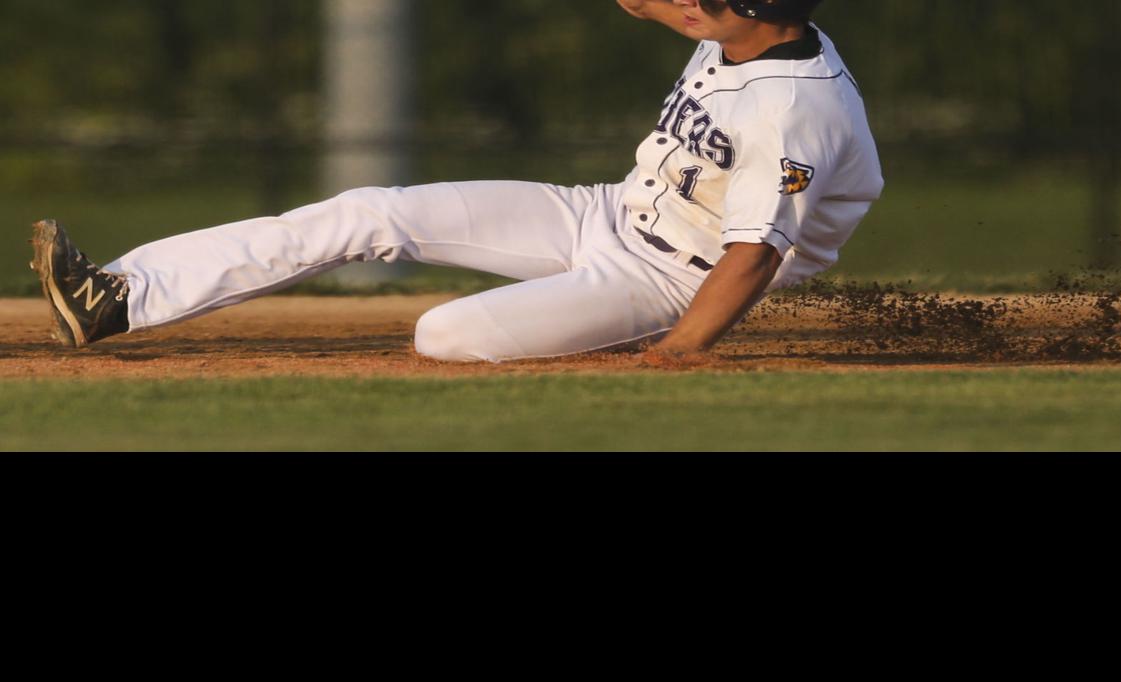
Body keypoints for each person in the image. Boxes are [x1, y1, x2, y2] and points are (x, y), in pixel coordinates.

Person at [29, 0, 883, 367]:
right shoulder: (752, 33)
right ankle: (118, 297)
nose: (688, 4)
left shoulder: (791, 109)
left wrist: (678, 350)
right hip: (602, 213)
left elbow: (754, 250)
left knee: (444, 336)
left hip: (670, 277)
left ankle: (601, 330)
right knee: (370, 209)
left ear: (759, 10)